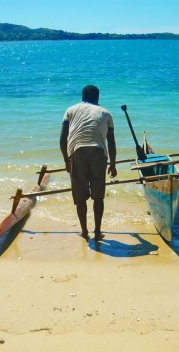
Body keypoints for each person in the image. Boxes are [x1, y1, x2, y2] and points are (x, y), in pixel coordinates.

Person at [60, 85, 117, 241]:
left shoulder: (70, 110)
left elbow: (63, 138)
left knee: (80, 197)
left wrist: (66, 160)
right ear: (98, 97)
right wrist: (113, 164)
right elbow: (111, 142)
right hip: (98, 153)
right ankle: (97, 232)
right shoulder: (105, 113)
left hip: (77, 152)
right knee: (98, 197)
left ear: (82, 96)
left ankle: (84, 231)